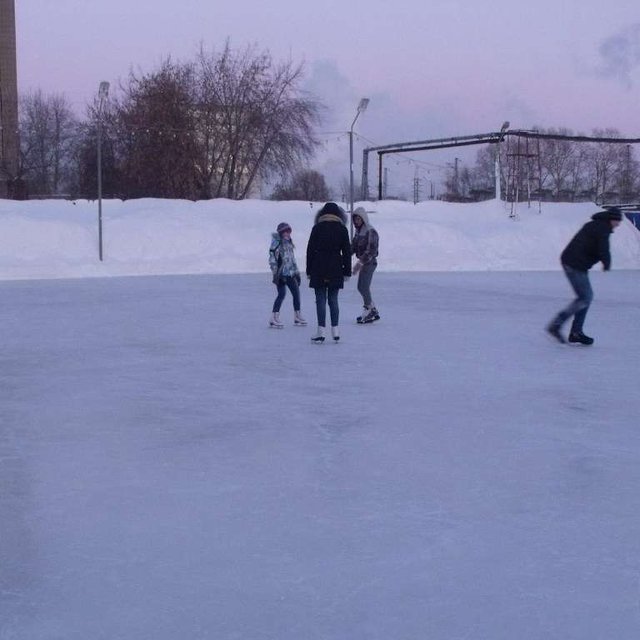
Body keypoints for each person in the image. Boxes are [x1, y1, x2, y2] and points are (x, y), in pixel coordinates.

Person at [546, 207, 623, 345]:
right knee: (585, 297)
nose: (618, 224)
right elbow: (603, 248)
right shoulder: (602, 228)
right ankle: (558, 325)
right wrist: (607, 263)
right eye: (617, 221)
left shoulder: (597, 225)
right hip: (574, 264)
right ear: (612, 219)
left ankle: (576, 332)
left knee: (585, 297)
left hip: (575, 262)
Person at [306, 202, 351, 342]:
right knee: (333, 299)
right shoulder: (342, 229)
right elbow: (347, 252)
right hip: (335, 267)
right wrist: (347, 271)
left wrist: (309, 270)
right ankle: (335, 330)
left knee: (320, 299)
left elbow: (310, 250)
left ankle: (321, 331)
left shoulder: (317, 228)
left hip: (318, 266)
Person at [268, 222, 306, 328]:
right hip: (280, 274)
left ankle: (297, 316)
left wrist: (297, 272)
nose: (287, 234)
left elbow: (292, 260)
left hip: (290, 273)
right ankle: (274, 317)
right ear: (280, 233)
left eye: (288, 231)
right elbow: (272, 259)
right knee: (281, 294)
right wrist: (275, 273)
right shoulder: (277, 243)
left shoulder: (289, 243)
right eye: (285, 232)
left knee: (296, 293)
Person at [351, 207, 380, 324]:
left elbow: (371, 250)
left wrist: (360, 263)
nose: (357, 221)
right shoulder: (358, 232)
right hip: (364, 263)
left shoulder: (370, 231)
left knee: (363, 287)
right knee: (361, 287)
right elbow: (353, 247)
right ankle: (371, 309)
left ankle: (370, 310)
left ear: (363, 218)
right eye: (355, 219)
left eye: (359, 219)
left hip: (369, 262)